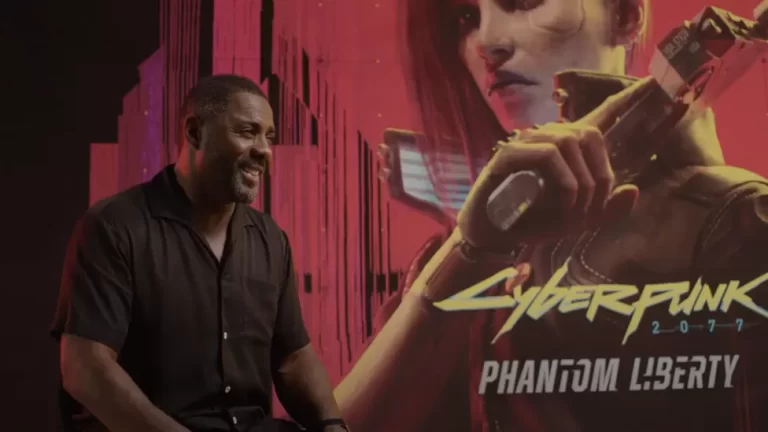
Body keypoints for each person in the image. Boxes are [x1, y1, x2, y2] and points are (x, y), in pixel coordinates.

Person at [334, 1, 768, 431]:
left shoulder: (734, 219)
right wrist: (469, 254)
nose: (486, 41)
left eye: (523, 1)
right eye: (464, 17)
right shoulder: (448, 257)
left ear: (625, 16)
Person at [51, 74, 349, 432]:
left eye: (269, 137)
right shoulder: (114, 227)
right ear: (194, 133)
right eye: (247, 132)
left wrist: (333, 426)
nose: (264, 150)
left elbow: (294, 358)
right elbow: (85, 370)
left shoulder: (271, 239)